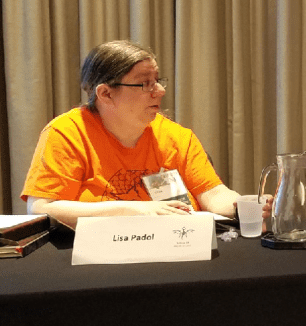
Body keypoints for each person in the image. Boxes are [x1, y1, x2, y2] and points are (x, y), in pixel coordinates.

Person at [21, 40, 242, 229]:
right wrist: (133, 209)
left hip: (173, 253)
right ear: (106, 93)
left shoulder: (175, 136)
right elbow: (41, 208)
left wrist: (244, 205)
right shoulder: (67, 133)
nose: (161, 91)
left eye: (157, 81)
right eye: (146, 83)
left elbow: (213, 195)